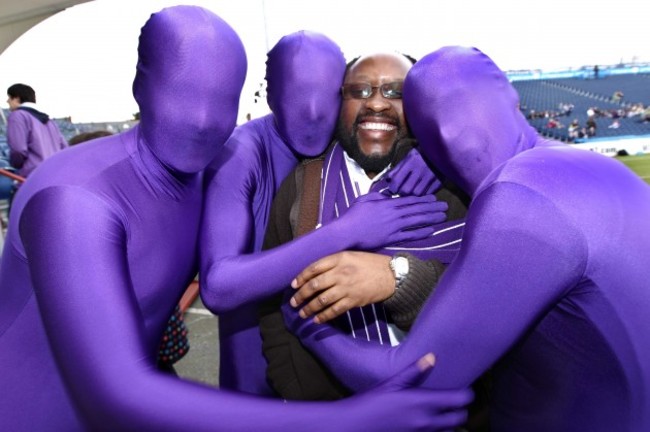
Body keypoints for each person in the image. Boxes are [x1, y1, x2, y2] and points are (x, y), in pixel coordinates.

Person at [0, 6, 473, 430]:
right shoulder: (75, 198)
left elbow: (355, 128)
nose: (204, 118)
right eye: (183, 91)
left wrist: (427, 152)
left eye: (223, 98)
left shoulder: (204, 167)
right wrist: (346, 419)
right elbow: (119, 389)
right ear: (139, 85)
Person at [282, 46, 650, 432]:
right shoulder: (600, 171)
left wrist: (310, 328)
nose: (454, 131)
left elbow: (417, 378)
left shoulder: (518, 198)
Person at [199, 34, 449, 395]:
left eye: (329, 93)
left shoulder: (343, 137)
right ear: (269, 94)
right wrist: (346, 230)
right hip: (258, 353)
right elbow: (219, 287)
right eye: (297, 94)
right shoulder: (242, 153)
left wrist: (432, 152)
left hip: (327, 353)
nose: (314, 110)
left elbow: (379, 125)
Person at [259, 52, 469, 401]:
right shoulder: (301, 187)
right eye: (359, 91)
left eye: (395, 92)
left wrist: (399, 278)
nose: (375, 103)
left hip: (438, 407)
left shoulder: (457, 187)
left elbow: (485, 301)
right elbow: (272, 304)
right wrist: (295, 386)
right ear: (340, 103)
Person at [5, 83, 68, 178]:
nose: (7, 101)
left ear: (17, 98)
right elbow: (65, 149)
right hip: (54, 174)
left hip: (33, 176)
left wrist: (16, 166)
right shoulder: (50, 121)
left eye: (9, 98)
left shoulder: (18, 115)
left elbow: (18, 150)